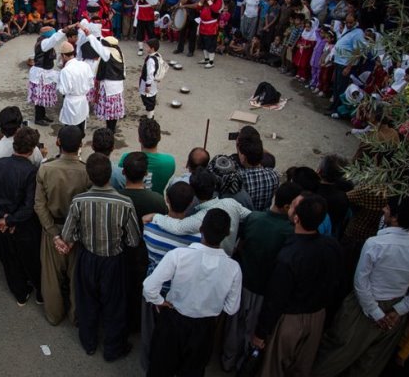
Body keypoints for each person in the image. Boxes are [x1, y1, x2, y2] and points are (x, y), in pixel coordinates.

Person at [312, 196, 409, 377]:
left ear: (395, 217)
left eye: (386, 208)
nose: (383, 210)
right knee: (370, 363)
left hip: (362, 308)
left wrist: (377, 313)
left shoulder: (375, 244)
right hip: (393, 313)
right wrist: (399, 310)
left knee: (333, 356)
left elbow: (361, 282)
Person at [251, 194, 345, 377]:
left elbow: (275, 299)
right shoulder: (332, 245)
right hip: (318, 316)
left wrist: (261, 333)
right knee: (301, 367)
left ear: (296, 218)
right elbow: (337, 281)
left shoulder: (289, 257)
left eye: (293, 205)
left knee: (274, 367)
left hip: (290, 320)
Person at [58, 153, 141, 361]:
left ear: (89, 176)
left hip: (87, 259)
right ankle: (113, 349)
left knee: (87, 302)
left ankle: (89, 343)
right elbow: (133, 241)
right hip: (113, 261)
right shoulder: (125, 202)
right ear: (110, 174)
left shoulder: (79, 201)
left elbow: (67, 235)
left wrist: (80, 235)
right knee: (114, 306)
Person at [144, 208, 241, 376]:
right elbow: (231, 308)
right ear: (227, 234)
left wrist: (160, 302)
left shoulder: (179, 255)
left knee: (160, 367)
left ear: (201, 229)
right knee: (193, 370)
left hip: (173, 320)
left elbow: (149, 287)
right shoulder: (233, 268)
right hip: (205, 328)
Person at [220, 182, 303, 372]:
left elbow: (241, 245)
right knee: (253, 329)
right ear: (287, 207)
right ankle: (244, 364)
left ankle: (228, 360)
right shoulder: (290, 232)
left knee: (234, 325)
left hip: (243, 281)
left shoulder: (254, 218)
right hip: (265, 289)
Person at [35, 125, 91, 325]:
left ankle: (54, 314)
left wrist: (54, 235)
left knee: (51, 277)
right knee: (76, 278)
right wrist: (74, 236)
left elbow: (39, 205)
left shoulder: (46, 168)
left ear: (58, 142)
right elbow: (88, 208)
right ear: (81, 145)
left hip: (53, 229)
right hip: (77, 232)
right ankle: (76, 316)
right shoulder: (86, 172)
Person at [0, 126, 42, 305]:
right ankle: (40, 292)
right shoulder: (31, 171)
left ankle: (20, 293)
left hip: (2, 223)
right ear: (32, 150)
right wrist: (9, 219)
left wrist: (3, 217)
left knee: (10, 262)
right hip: (24, 225)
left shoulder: (0, 164)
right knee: (32, 260)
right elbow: (29, 205)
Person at [117, 152, 167, 334]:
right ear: (146, 174)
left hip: (120, 253)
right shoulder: (157, 200)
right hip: (145, 256)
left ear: (123, 172)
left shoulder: (117, 197)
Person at [118, 118, 175, 194]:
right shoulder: (169, 162)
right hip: (157, 202)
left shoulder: (126, 158)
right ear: (159, 138)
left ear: (139, 139)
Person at [86, 34, 126, 132]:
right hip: (118, 87)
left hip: (109, 86)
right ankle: (112, 128)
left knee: (109, 110)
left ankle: (110, 129)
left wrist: (89, 35)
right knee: (114, 110)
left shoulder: (108, 54)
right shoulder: (119, 52)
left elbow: (97, 46)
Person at [28, 26, 65, 125]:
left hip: (44, 71)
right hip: (40, 73)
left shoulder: (45, 42)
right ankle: (38, 118)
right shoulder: (44, 43)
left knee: (42, 96)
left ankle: (42, 115)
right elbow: (55, 39)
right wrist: (63, 31)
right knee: (39, 97)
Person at [57, 41, 94, 131]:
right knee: (81, 127)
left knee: (70, 130)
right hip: (83, 100)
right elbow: (91, 83)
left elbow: (64, 90)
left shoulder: (66, 71)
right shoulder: (85, 65)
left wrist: (58, 84)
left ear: (64, 56)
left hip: (71, 102)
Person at [139, 39, 160, 119]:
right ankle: (149, 115)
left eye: (147, 47)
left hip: (149, 83)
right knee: (150, 99)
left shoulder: (151, 60)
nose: (145, 48)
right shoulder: (156, 55)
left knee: (148, 100)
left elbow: (150, 73)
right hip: (152, 82)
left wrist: (148, 85)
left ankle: (150, 118)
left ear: (152, 48)